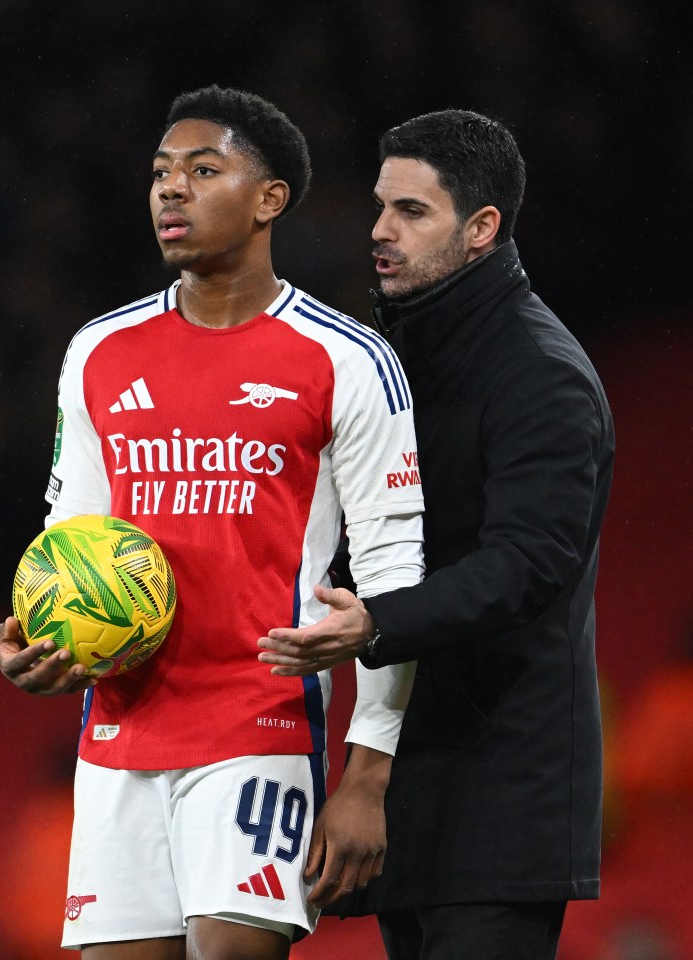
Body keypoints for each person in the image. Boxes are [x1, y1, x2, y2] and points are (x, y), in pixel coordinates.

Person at [0, 86, 426, 960]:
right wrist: (31, 641)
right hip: (119, 731)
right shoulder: (99, 353)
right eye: (160, 174)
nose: (170, 191)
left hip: (258, 723)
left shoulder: (345, 358)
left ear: (271, 199)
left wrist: (368, 776)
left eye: (202, 170)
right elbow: (67, 538)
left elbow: (395, 575)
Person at [258, 109, 615, 960]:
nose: (379, 231)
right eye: (381, 206)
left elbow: (528, 564)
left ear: (482, 228)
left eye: (412, 212)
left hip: (503, 799)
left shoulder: (542, 376)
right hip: (415, 783)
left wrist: (377, 624)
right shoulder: (397, 358)